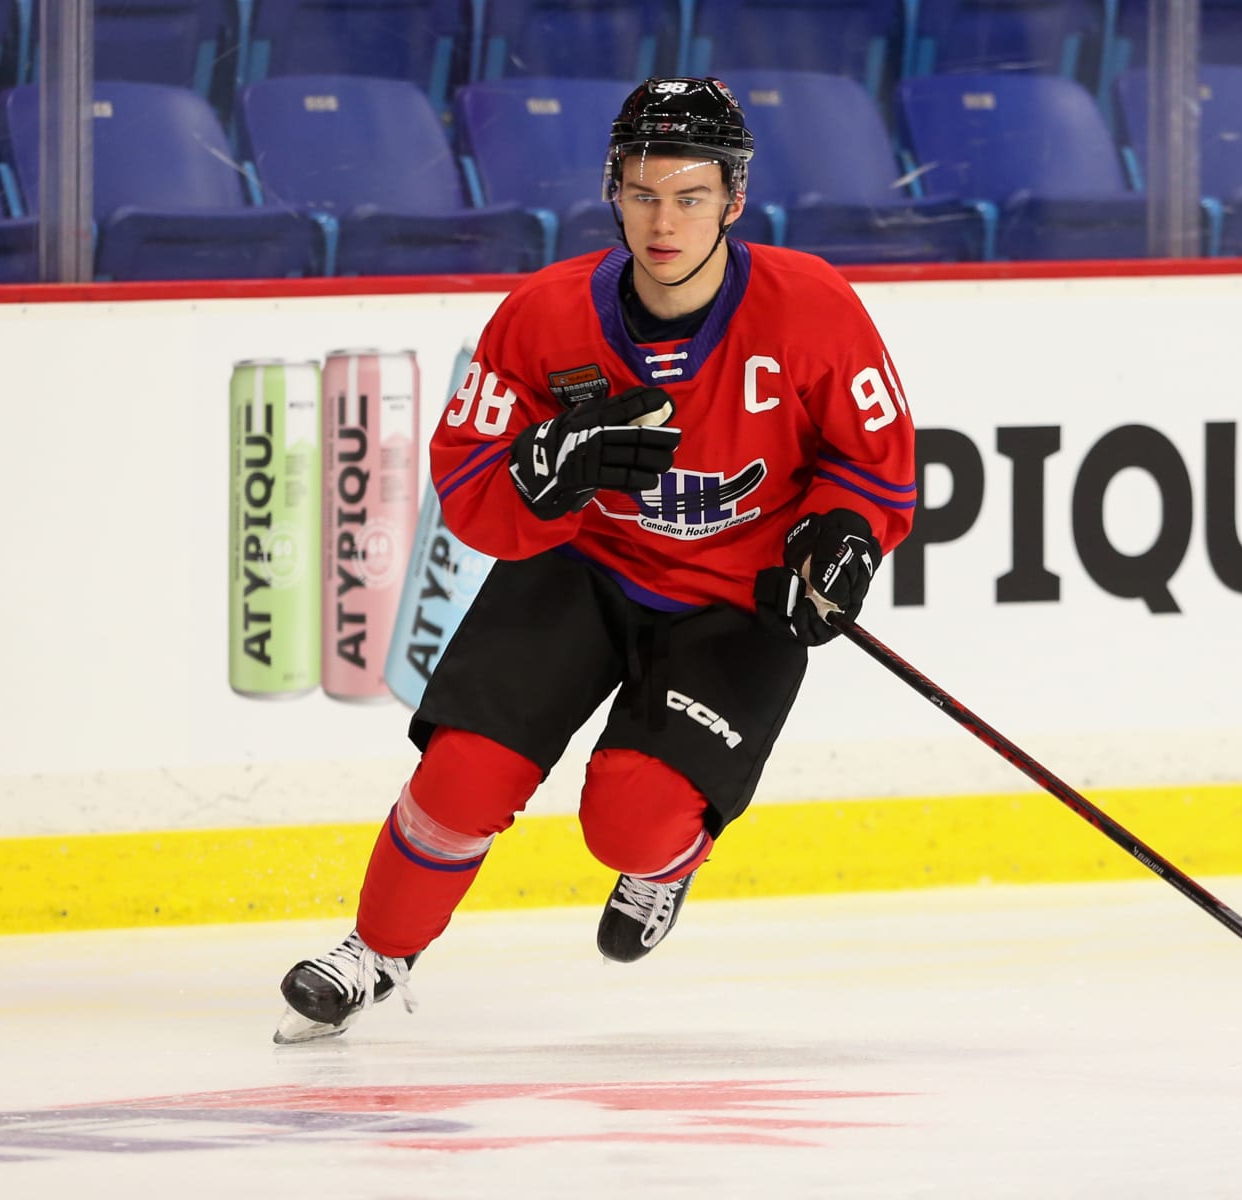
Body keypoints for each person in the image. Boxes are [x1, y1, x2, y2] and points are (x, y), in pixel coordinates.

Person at [274, 76, 917, 1044]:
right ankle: (376, 951)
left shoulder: (811, 308)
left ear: (735, 200)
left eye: (691, 196)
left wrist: (842, 543)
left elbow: (877, 473)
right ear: (612, 189)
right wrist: (540, 474)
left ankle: (664, 867)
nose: (665, 220)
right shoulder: (541, 317)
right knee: (463, 772)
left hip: (738, 599)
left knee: (631, 821)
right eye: (645, 192)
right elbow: (472, 489)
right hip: (582, 560)